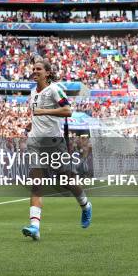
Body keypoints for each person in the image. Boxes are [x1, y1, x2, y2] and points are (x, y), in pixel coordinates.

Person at [21, 59, 92, 241]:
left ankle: (85, 205)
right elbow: (38, 115)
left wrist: (44, 112)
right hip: (35, 143)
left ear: (47, 73)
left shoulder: (54, 89)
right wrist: (32, 124)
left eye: (39, 69)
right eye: (33, 68)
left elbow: (68, 110)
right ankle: (35, 227)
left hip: (54, 144)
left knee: (66, 181)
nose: (34, 71)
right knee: (36, 184)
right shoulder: (32, 92)